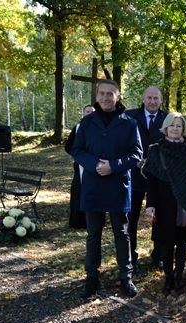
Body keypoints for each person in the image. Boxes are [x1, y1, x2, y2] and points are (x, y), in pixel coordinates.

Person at [72, 79, 142, 299]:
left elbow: (136, 154)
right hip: (93, 184)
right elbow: (77, 149)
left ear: (118, 96)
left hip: (117, 185)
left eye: (110, 94)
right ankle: (92, 277)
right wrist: (94, 165)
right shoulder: (87, 122)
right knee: (93, 234)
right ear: (97, 95)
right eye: (101, 93)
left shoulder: (129, 122)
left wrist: (113, 166)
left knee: (122, 233)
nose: (105, 97)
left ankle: (125, 277)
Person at [143, 112, 186, 295]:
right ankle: (168, 278)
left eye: (179, 126)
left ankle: (179, 276)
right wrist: (151, 204)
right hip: (164, 204)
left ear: (183, 129)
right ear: (166, 128)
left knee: (183, 243)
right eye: (172, 125)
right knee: (166, 243)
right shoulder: (156, 149)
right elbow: (152, 181)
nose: (175, 129)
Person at [126, 86, 167, 273]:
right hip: (134, 176)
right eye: (149, 98)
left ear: (161, 100)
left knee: (158, 218)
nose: (152, 101)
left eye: (156, 98)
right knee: (131, 218)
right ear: (143, 99)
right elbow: (122, 142)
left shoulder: (168, 120)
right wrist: (134, 159)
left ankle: (157, 255)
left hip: (158, 178)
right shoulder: (129, 116)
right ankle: (131, 257)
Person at [64, 105, 95, 229]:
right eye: (87, 111)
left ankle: (92, 222)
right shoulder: (77, 128)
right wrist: (79, 155)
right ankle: (77, 221)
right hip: (80, 166)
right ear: (83, 113)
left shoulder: (100, 128)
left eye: (92, 112)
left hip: (94, 165)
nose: (89, 114)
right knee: (78, 193)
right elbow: (68, 147)